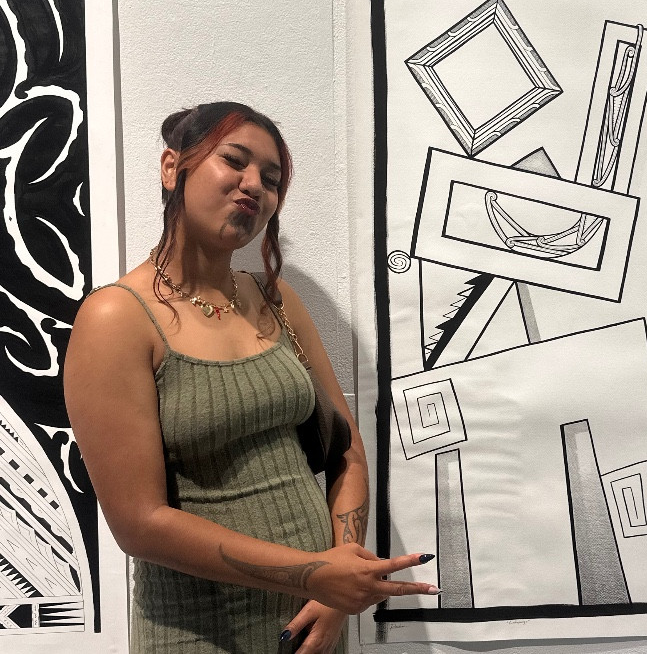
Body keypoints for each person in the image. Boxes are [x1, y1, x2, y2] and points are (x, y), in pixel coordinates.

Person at [64, 102, 438, 653]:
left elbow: (346, 449)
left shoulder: (274, 299)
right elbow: (139, 524)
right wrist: (316, 573)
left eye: (272, 178)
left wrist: (338, 581)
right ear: (171, 168)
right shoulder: (116, 317)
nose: (254, 185)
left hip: (313, 623)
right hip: (199, 634)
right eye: (234, 161)